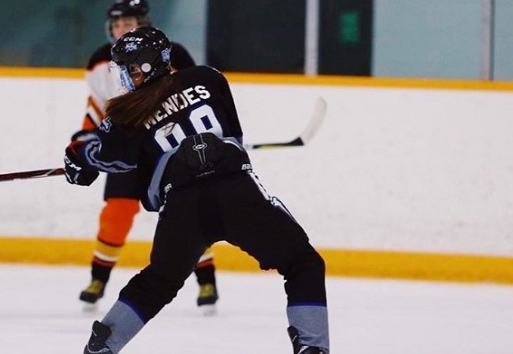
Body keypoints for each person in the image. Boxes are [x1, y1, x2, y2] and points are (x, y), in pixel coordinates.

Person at [63, 27, 330, 353]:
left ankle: (103, 346)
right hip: (236, 193)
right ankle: (313, 348)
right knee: (303, 263)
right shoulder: (208, 78)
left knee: (157, 283)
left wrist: (78, 159)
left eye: (129, 68)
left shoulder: (124, 116)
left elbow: (107, 161)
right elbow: (233, 136)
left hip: (182, 208)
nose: (123, 77)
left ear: (148, 66)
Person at [72, 0, 219, 313]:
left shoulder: (171, 54)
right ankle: (98, 278)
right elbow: (98, 108)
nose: (122, 28)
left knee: (185, 213)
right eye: (117, 23)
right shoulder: (100, 61)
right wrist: (86, 142)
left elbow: (192, 101)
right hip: (126, 152)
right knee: (116, 214)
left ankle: (206, 278)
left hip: (167, 152)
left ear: (144, 24)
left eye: (129, 23)